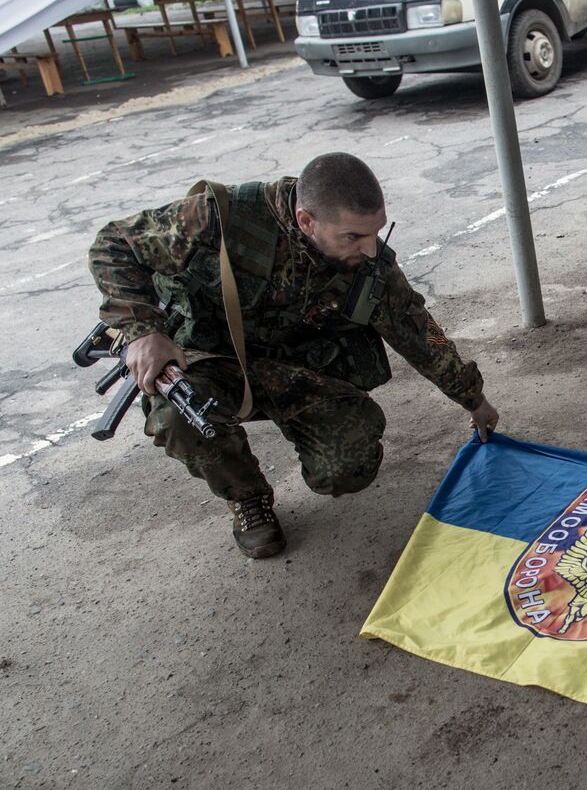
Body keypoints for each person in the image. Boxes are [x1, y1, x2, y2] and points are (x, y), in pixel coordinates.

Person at [88, 152, 499, 559]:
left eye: (376, 231)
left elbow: (416, 331)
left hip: (299, 373)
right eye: (353, 237)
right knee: (176, 417)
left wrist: (473, 399)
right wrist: (145, 333)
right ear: (306, 220)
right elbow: (114, 245)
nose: (370, 249)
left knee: (348, 466)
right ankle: (247, 498)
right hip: (211, 364)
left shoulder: (369, 264)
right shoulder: (223, 217)